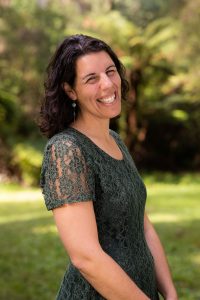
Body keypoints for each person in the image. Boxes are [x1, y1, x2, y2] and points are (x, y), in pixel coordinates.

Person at [39, 34, 178, 300]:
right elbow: (85, 257)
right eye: (91, 79)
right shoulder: (67, 150)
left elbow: (142, 225)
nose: (107, 84)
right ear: (70, 90)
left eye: (110, 71)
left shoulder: (114, 139)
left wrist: (169, 292)